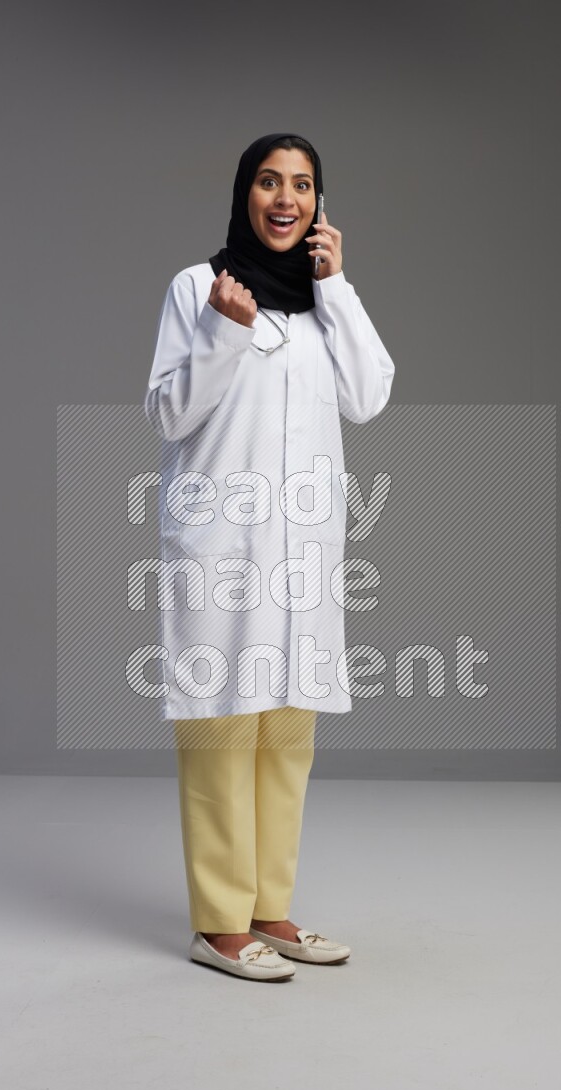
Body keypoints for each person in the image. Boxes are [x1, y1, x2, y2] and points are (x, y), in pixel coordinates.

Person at [145, 133, 395, 981]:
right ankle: (218, 924)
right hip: (221, 547)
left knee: (289, 731)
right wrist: (224, 328)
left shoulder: (327, 301)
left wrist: (336, 285)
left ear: (319, 205)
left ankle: (270, 909)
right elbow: (167, 415)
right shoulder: (199, 288)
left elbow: (370, 395)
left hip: (304, 552)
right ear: (243, 194)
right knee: (220, 729)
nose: (284, 198)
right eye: (267, 181)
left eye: (302, 185)